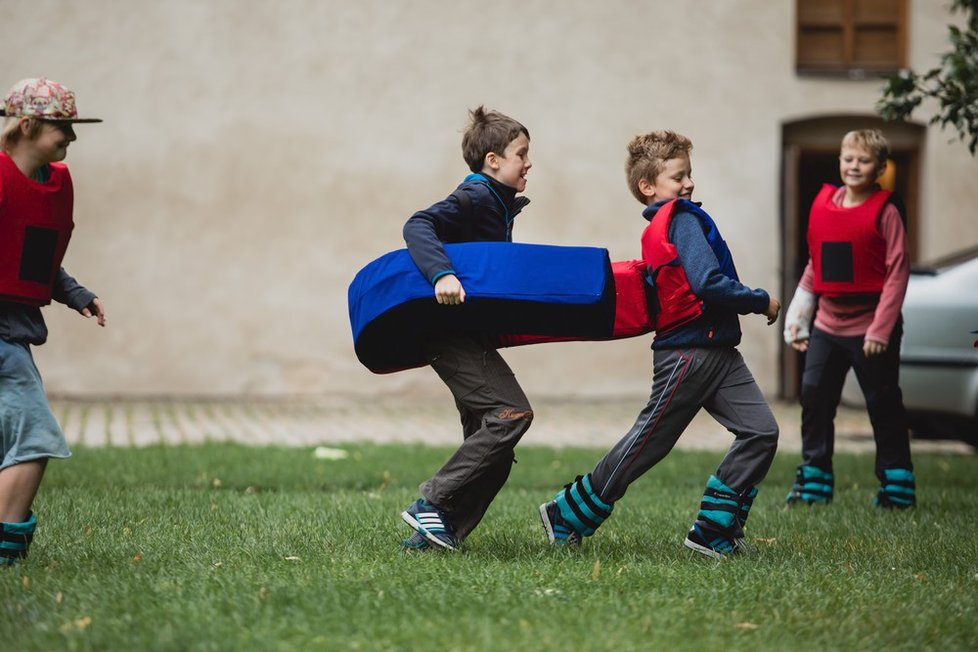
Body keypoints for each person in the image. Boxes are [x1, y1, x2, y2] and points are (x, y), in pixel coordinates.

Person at [538, 130, 781, 559]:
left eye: (689, 175)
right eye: (677, 177)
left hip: (719, 351)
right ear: (647, 187)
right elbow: (708, 284)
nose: (687, 184)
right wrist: (760, 299)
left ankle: (714, 528)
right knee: (648, 443)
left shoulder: (668, 223)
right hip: (688, 355)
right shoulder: (681, 219)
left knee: (761, 431)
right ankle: (567, 514)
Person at [399, 106, 534, 551]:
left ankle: (438, 537)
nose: (528, 163)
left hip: (465, 335)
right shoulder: (475, 198)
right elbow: (418, 224)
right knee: (510, 415)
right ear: (493, 160)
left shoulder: (496, 206)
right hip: (448, 335)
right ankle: (430, 504)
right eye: (521, 154)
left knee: (492, 450)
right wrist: (442, 275)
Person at [0, 78, 105, 566]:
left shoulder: (48, 186)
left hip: (14, 339)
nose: (71, 137)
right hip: (2, 341)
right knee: (33, 437)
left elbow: (30, 254)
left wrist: (74, 294)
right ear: (28, 125)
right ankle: (5, 546)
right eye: (62, 126)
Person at [783, 129, 915, 509]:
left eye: (864, 160)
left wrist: (881, 328)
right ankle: (814, 482)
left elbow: (897, 272)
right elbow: (816, 265)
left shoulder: (886, 210)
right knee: (814, 399)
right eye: (848, 158)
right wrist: (800, 316)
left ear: (879, 168)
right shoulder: (824, 204)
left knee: (883, 405)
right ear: (840, 161)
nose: (854, 166)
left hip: (870, 327)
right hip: (828, 324)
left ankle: (897, 487)